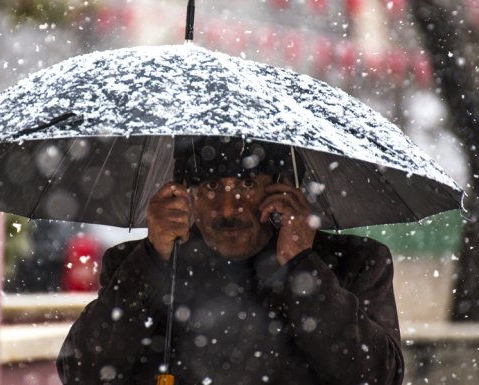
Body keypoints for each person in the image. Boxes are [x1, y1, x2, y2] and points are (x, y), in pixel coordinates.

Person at [57, 137, 404, 385]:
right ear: (185, 193)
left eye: (247, 183)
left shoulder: (354, 264)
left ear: (283, 188)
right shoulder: (139, 262)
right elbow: (81, 371)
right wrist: (152, 259)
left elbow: (376, 376)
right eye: (210, 187)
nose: (227, 209)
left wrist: (302, 263)